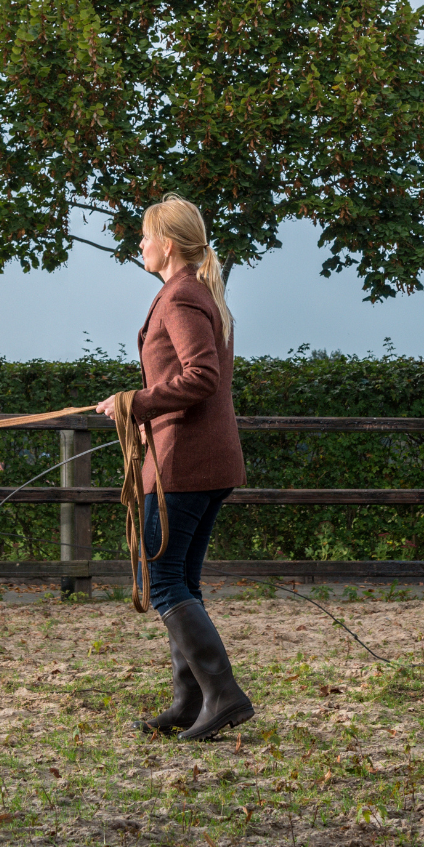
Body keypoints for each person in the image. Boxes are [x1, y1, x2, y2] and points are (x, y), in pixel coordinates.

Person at [94, 195, 254, 741]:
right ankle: (191, 700)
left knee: (163, 582)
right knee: (182, 579)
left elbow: (201, 376)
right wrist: (130, 404)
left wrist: (135, 402)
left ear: (167, 243)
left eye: (145, 236)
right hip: (205, 462)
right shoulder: (196, 293)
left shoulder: (180, 296)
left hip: (182, 464)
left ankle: (223, 695)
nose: (139, 245)